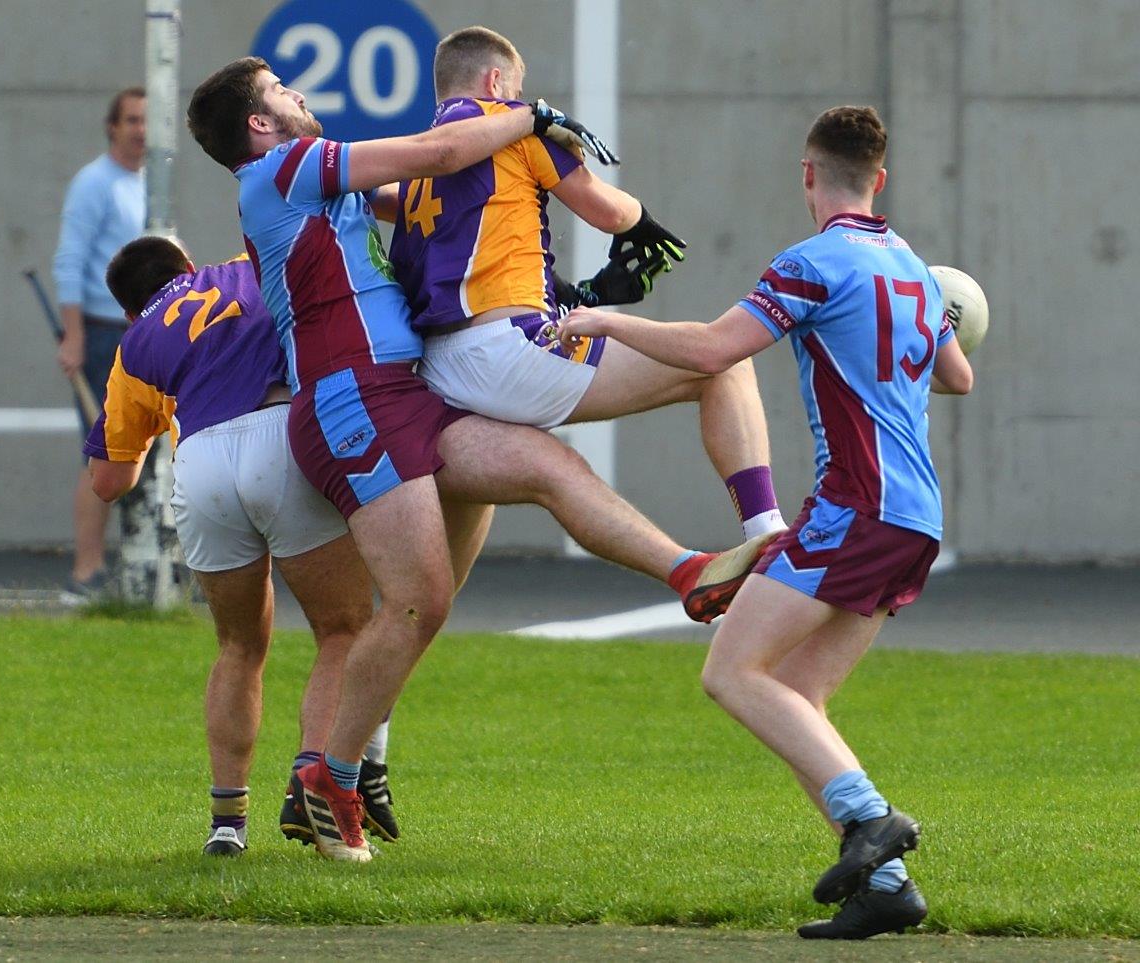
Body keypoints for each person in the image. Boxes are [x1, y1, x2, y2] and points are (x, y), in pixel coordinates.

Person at [186, 57, 765, 862]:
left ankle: (692, 575)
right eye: (283, 90)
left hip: (403, 390)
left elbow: (442, 202)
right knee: (419, 599)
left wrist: (555, 278)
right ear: (259, 122)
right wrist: (527, 118)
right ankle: (332, 775)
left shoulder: (316, 180)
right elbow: (433, 157)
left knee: (548, 467)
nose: (299, 95)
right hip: (353, 400)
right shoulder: (279, 169)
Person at [558, 106, 974, 940]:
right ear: (879, 180)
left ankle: (871, 817)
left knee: (732, 670)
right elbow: (955, 373)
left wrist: (602, 319)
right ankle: (886, 885)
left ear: (808, 173)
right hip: (916, 515)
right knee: (799, 694)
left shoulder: (812, 262)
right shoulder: (912, 267)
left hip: (859, 504)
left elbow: (715, 350)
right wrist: (946, 310)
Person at [384, 26, 787, 552]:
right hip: (505, 354)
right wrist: (643, 219)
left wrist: (582, 295)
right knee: (724, 363)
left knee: (435, 588)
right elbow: (608, 211)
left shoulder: (421, 162)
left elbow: (477, 259)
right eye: (516, 88)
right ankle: (769, 536)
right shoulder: (511, 127)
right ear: (496, 79)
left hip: (438, 369)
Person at [86, 237, 395, 856]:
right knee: (343, 630)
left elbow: (109, 482)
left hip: (198, 465)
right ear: (189, 268)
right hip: (279, 438)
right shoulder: (244, 270)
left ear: (128, 310)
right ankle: (312, 780)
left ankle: (227, 825)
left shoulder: (135, 343)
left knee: (238, 645)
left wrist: (148, 420)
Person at [52, 87, 147, 597]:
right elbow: (69, 259)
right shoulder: (95, 184)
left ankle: (139, 570)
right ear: (113, 126)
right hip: (100, 334)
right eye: (131, 120)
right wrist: (73, 335)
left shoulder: (148, 183)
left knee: (141, 458)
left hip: (138, 333)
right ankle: (85, 572)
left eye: (148, 121)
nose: (141, 129)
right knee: (101, 457)